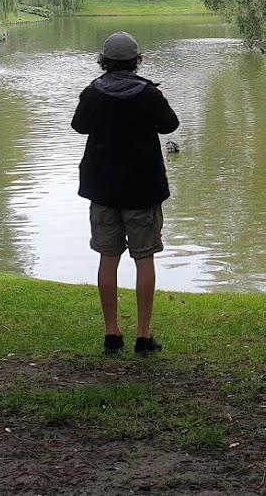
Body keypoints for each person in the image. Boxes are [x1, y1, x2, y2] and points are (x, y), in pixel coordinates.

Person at [71, 32, 179, 355]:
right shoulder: (148, 94)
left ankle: (112, 333)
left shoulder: (93, 93)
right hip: (142, 190)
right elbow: (170, 125)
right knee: (144, 258)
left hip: (103, 190)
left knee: (108, 257)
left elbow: (79, 126)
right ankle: (143, 336)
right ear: (136, 61)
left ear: (104, 61)